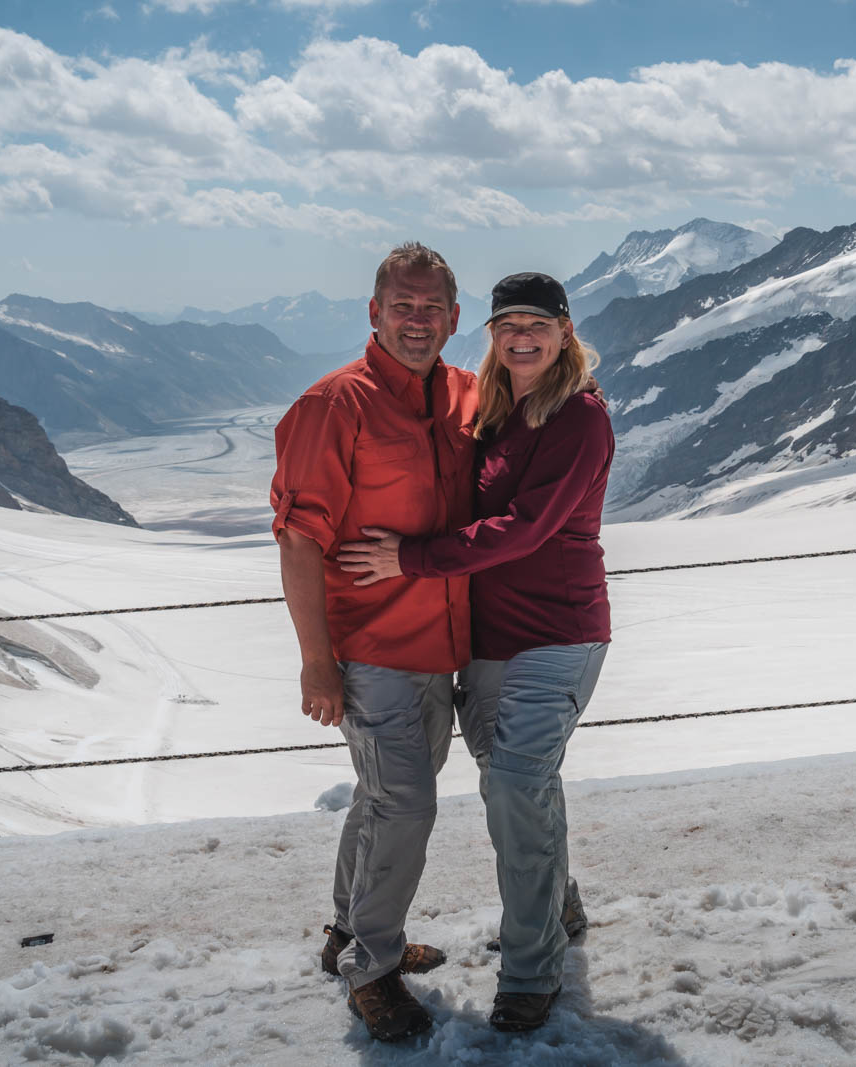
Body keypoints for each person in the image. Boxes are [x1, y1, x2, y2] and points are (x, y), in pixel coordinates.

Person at [337, 271, 614, 1033]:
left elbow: (526, 527)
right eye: (506, 325)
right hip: (490, 637)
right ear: (491, 334)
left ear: (564, 333)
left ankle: (533, 967)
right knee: (515, 780)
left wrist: (412, 559)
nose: (521, 336)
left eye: (537, 324)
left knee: (515, 784)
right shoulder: (496, 410)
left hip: (559, 631)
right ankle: (557, 897)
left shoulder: (579, 417)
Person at [269, 242, 478, 1043]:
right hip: (370, 648)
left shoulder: (464, 394)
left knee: (382, 797)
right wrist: (317, 661)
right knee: (408, 804)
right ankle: (374, 971)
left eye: (432, 309)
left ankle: (345, 933)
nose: (417, 321)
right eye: (404, 306)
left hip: (441, 642)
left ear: (454, 319)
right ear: (374, 312)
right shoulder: (335, 405)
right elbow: (298, 541)